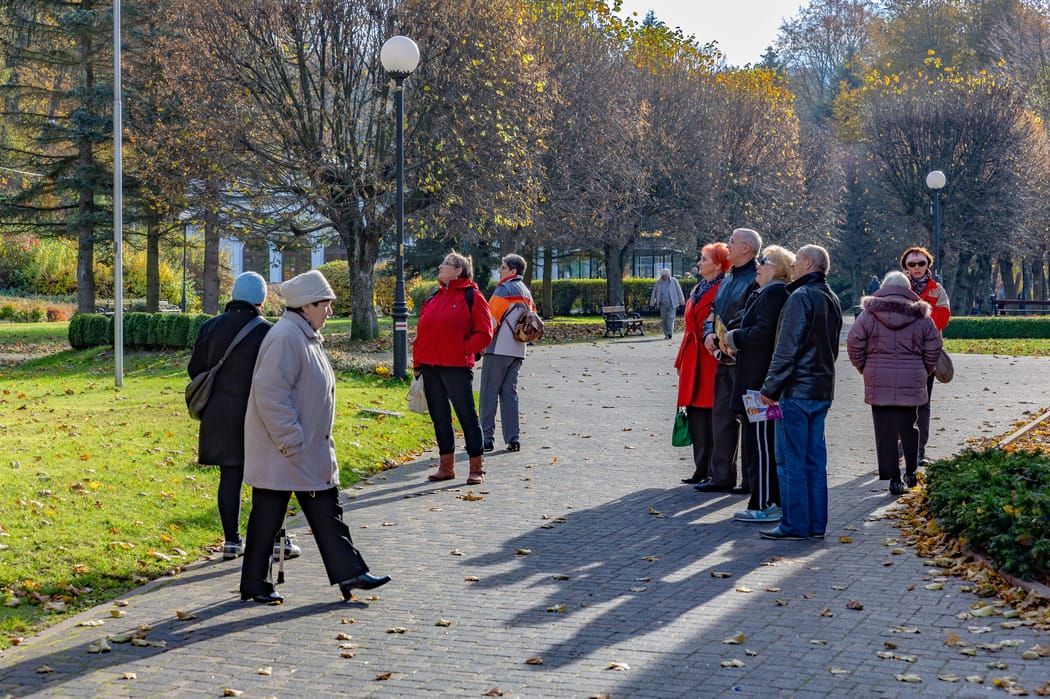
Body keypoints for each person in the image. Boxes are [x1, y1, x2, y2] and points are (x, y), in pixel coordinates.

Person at [239, 269, 390, 604]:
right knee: (273, 517)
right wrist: (291, 439)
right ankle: (256, 583)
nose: (329, 312)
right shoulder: (287, 338)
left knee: (320, 510)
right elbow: (270, 393)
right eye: (325, 304)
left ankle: (348, 573)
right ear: (306, 306)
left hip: (300, 450)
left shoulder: (301, 335)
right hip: (288, 450)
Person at [188, 272, 278, 560]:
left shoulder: (210, 326)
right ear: (262, 299)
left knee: (230, 477)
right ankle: (271, 539)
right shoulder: (268, 332)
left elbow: (195, 369)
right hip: (256, 413)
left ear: (234, 295)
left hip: (218, 414)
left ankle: (231, 541)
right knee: (265, 480)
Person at [758, 244, 842, 540]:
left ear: (807, 263)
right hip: (821, 389)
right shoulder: (831, 297)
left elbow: (786, 348)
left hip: (796, 391)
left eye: (795, 263)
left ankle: (794, 524)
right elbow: (831, 349)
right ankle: (815, 525)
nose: (791, 268)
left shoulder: (800, 297)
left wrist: (770, 387)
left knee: (790, 460)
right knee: (814, 461)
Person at [847, 271, 942, 496]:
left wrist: (864, 367)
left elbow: (854, 343)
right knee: (909, 426)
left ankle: (893, 479)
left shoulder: (869, 314)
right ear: (907, 288)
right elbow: (934, 346)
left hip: (878, 379)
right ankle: (911, 471)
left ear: (883, 287)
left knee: (885, 430)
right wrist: (924, 368)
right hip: (912, 379)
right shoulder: (922, 315)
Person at [724, 246, 795, 523]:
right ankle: (762, 500)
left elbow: (762, 334)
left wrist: (733, 339)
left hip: (761, 387)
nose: (758, 266)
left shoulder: (775, 293)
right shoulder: (763, 291)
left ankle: (766, 503)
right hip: (757, 384)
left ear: (777, 267)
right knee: (759, 442)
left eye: (763, 261)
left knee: (763, 444)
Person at [414, 251, 494, 484]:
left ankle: (476, 468)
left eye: (445, 264)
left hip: (456, 366)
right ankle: (446, 466)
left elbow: (485, 333)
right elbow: (422, 334)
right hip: (430, 366)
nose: (440, 266)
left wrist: (464, 349)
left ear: (458, 270)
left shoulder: (472, 296)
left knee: (467, 416)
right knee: (440, 418)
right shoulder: (433, 297)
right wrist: (418, 363)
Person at [695, 228, 761, 494]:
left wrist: (730, 338)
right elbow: (714, 311)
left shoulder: (756, 279)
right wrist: (708, 335)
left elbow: (751, 314)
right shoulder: (730, 278)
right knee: (721, 417)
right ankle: (721, 475)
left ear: (745, 248)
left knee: (749, 420)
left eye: (732, 242)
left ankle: (750, 479)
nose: (728, 246)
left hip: (746, 359)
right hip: (724, 357)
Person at [674, 243, 731, 484]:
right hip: (692, 357)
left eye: (704, 259)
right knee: (695, 413)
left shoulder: (723, 288)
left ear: (718, 265)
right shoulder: (699, 288)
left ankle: (713, 469)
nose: (699, 263)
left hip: (709, 358)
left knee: (712, 415)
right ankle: (700, 468)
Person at [480, 254, 536, 453]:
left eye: (503, 267)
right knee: (509, 393)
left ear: (512, 271)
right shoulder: (526, 292)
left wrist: (480, 344)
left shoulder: (503, 290)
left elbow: (490, 321)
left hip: (498, 349)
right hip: (518, 349)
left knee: (489, 392)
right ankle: (513, 439)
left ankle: (486, 437)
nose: (499, 270)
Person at [900, 246, 950, 464]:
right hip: (901, 354)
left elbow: (942, 317)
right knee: (901, 403)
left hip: (927, 354)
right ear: (905, 267)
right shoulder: (898, 288)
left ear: (928, 264)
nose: (917, 267)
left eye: (921, 263)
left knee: (924, 402)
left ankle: (919, 449)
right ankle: (902, 445)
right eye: (912, 264)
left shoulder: (936, 290)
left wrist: (916, 321)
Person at [650, 268, 685, 339]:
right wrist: (652, 302)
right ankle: (666, 334)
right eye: (663, 275)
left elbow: (679, 291)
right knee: (664, 319)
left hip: (672, 303)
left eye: (666, 275)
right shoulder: (658, 282)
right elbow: (654, 293)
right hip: (662, 303)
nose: (664, 277)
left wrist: (682, 300)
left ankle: (669, 333)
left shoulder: (674, 281)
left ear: (668, 275)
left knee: (670, 318)